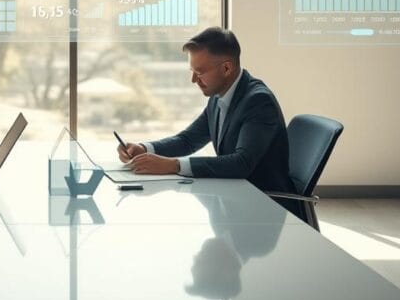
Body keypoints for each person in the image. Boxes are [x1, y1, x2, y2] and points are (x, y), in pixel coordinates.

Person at [117, 26, 306, 221]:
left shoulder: (258, 101)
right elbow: (188, 140)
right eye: (192, 71)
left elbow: (241, 163)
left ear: (226, 68)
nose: (193, 80)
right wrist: (144, 149)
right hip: (234, 199)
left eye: (199, 72)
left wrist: (173, 165)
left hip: (264, 209)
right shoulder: (218, 96)